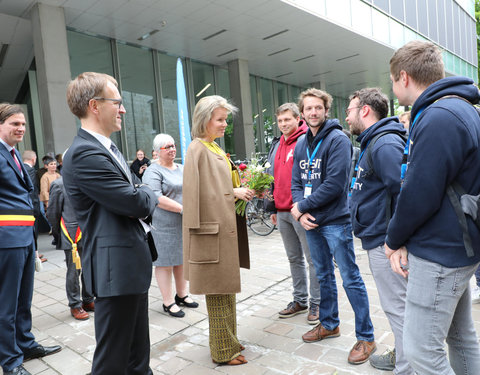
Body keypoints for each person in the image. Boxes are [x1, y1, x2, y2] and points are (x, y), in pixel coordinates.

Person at [385, 40, 480, 374]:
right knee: (461, 337)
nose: (394, 89)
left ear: (405, 77)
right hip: (458, 246)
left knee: (421, 351)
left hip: (441, 252)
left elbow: (419, 191)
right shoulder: (459, 107)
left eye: (393, 81)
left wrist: (393, 238)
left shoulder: (439, 116)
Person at [63, 72, 158, 375]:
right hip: (115, 269)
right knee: (113, 361)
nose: (123, 109)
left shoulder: (105, 148)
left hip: (127, 265)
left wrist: (141, 191)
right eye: (117, 102)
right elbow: (138, 201)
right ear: (94, 105)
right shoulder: (85, 153)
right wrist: (145, 191)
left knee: (136, 356)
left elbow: (136, 196)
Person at [290, 88, 376, 365]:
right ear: (302, 113)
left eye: (318, 108)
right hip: (311, 222)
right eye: (308, 108)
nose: (313, 112)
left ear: (326, 111)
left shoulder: (338, 140)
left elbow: (335, 184)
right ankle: (329, 323)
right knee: (324, 275)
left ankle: (366, 337)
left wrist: (300, 207)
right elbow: (296, 183)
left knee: (350, 277)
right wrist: (299, 211)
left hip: (335, 221)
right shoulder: (302, 143)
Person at [182, 95, 254, 366]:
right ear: (205, 120)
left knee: (226, 290)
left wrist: (242, 189)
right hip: (211, 233)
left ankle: (229, 340)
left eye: (226, 119)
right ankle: (223, 351)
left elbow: (220, 185)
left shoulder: (213, 148)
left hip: (223, 230)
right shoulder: (197, 148)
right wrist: (232, 192)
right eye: (220, 119)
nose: (225, 124)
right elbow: (194, 196)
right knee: (218, 292)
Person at [346, 88, 413, 374]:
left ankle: (407, 366)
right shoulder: (374, 141)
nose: (346, 116)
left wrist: (396, 240)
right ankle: (405, 356)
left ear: (364, 111)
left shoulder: (383, 144)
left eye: (349, 110)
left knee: (397, 308)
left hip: (386, 242)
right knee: (399, 306)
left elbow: (403, 192)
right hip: (379, 238)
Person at [0, 103, 61, 375]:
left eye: (23, 124)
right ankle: (10, 361)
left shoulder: (14, 157)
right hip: (5, 239)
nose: (21, 128)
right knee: (7, 304)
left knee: (24, 300)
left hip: (25, 238)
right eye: (14, 124)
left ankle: (25, 345)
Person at [265, 102, 320, 324]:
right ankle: (299, 300)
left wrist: (305, 207)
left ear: (299, 119)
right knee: (293, 258)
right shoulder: (277, 143)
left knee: (313, 259)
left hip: (302, 211)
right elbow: (272, 176)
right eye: (279, 120)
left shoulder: (307, 140)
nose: (283, 124)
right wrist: (272, 207)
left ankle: (317, 302)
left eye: (287, 119)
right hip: (282, 210)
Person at [143, 133, 198, 318]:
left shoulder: (182, 168)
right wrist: (183, 209)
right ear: (157, 152)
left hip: (183, 221)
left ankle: (182, 295)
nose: (172, 149)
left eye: (173, 145)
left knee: (181, 259)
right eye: (167, 147)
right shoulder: (153, 171)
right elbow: (156, 197)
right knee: (165, 263)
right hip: (163, 224)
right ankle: (168, 302)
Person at [47, 174, 95, 321]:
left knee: (89, 267)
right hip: (71, 233)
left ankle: (88, 299)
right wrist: (57, 235)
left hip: (88, 230)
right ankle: (75, 303)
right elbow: (53, 213)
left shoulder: (87, 179)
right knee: (74, 270)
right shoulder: (59, 184)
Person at [22, 150, 48, 263]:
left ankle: (35, 253)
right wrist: (35, 208)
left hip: (23, 206)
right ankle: (34, 256)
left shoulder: (20, 168)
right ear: (33, 159)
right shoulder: (30, 170)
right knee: (34, 231)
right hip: (31, 207)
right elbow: (32, 190)